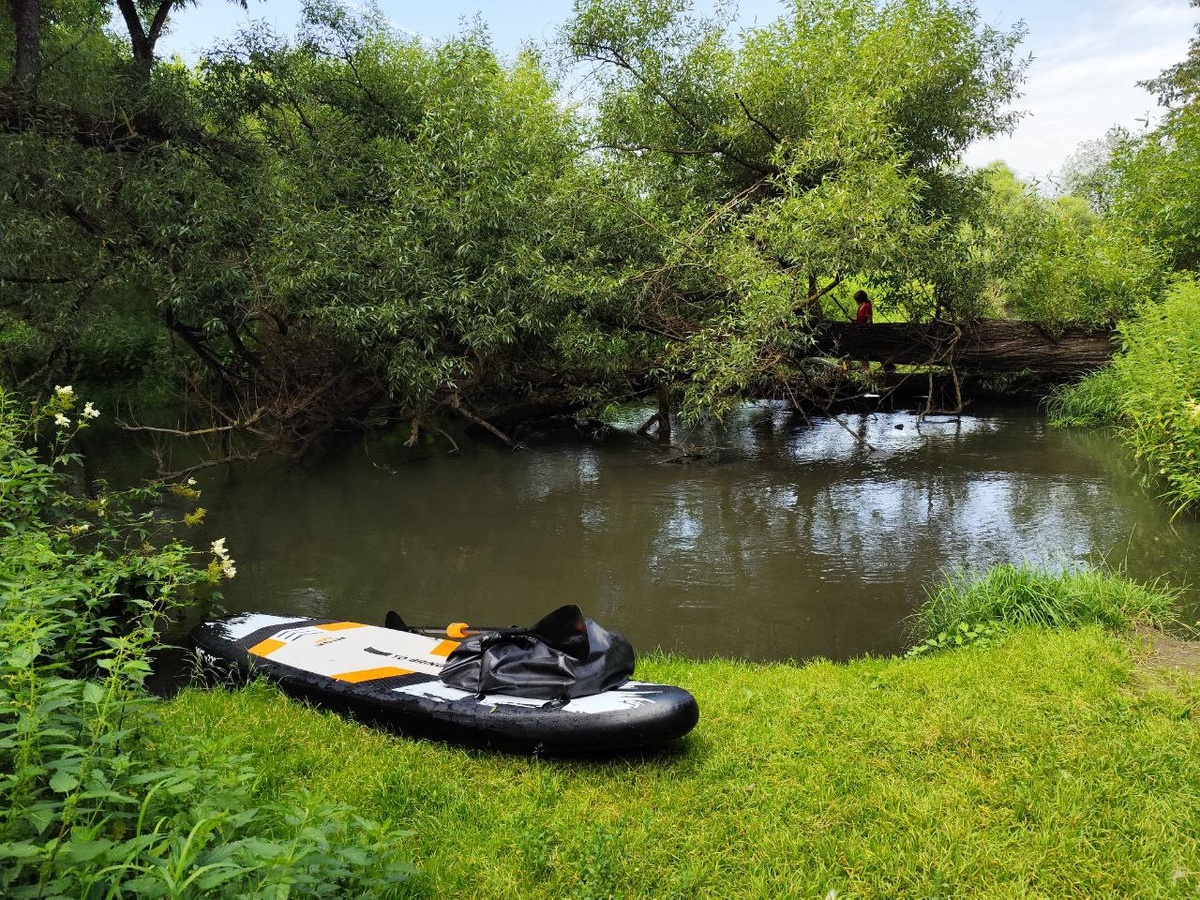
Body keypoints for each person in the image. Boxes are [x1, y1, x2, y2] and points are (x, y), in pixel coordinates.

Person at [854, 289, 872, 371]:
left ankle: (865, 368)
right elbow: (858, 319)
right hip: (860, 332)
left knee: (864, 350)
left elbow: (869, 320)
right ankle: (863, 367)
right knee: (861, 350)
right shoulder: (860, 307)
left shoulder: (867, 306)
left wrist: (867, 328)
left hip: (865, 332)